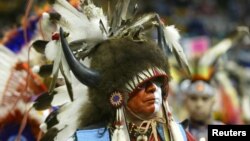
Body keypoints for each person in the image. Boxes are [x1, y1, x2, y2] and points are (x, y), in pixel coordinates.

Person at [32, 0, 195, 141]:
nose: (153, 88)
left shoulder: (178, 135)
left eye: (158, 81)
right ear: (116, 96)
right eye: (141, 83)